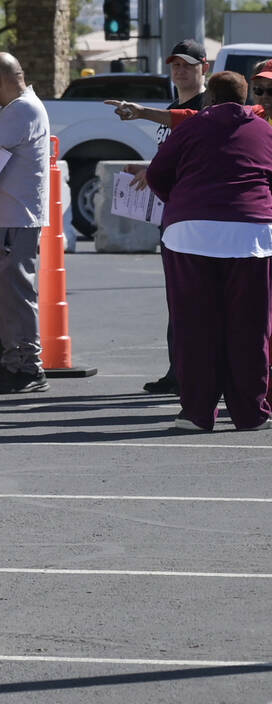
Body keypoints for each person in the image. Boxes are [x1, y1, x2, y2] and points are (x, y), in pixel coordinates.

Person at [145, 71, 272, 431]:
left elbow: (157, 174)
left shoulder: (191, 127)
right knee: (249, 328)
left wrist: (183, 203)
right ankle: (251, 413)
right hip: (252, 238)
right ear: (247, 99)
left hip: (190, 235)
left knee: (195, 326)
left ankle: (197, 414)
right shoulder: (264, 130)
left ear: (209, 99)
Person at [105, 38, 210, 396]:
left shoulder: (205, 107)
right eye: (175, 65)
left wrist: (140, 112)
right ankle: (177, 369)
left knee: (196, 298)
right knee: (177, 297)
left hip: (195, 217)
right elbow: (175, 156)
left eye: (187, 65)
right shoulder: (173, 104)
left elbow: (196, 147)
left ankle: (194, 373)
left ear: (204, 68)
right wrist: (151, 170)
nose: (180, 71)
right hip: (173, 213)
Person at [0, 52, 50, 394]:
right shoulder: (16, 111)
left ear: (0, 79)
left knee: (14, 295)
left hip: (14, 219)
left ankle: (28, 366)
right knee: (3, 296)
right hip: (5, 217)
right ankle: (13, 364)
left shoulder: (21, 110)